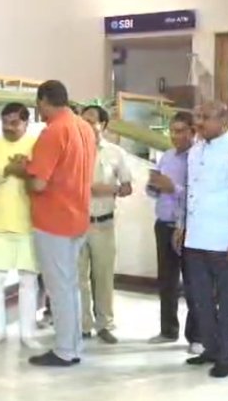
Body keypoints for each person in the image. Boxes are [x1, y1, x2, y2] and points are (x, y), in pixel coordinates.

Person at [6, 80, 96, 367]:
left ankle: (64, 350)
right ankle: (74, 345)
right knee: (70, 286)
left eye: (39, 103)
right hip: (78, 217)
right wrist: (30, 166)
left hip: (55, 221)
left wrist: (18, 170)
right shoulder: (84, 127)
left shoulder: (53, 130)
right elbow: (65, 169)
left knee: (59, 289)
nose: (38, 108)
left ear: (44, 100)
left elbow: (39, 183)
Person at [175, 100, 228, 378]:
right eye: (198, 116)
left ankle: (224, 356)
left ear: (223, 120)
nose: (199, 122)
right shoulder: (195, 151)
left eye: (206, 117)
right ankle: (210, 348)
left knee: (227, 302)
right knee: (199, 300)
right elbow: (190, 192)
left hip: (224, 242)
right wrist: (181, 225)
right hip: (195, 239)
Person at [0, 102, 41, 348]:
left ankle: (28, 333)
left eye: (14, 123)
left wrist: (25, 170)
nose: (8, 127)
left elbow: (43, 180)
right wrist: (7, 170)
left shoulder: (37, 145)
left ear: (26, 122)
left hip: (29, 223)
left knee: (28, 281)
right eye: (5, 122)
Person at [146, 111, 202, 355]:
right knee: (166, 281)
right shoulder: (167, 156)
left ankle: (196, 337)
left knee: (192, 283)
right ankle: (168, 330)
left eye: (180, 131)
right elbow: (154, 190)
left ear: (193, 132)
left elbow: (197, 194)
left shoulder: (198, 158)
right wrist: (153, 186)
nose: (175, 136)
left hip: (189, 227)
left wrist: (173, 188)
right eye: (172, 131)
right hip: (163, 224)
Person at [78, 104, 132, 344]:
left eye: (91, 121)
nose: (86, 125)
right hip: (76, 224)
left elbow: (127, 187)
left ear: (103, 125)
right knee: (78, 278)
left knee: (103, 277)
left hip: (103, 224)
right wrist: (86, 188)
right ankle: (82, 325)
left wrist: (112, 189)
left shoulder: (115, 153)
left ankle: (105, 325)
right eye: (83, 120)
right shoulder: (73, 151)